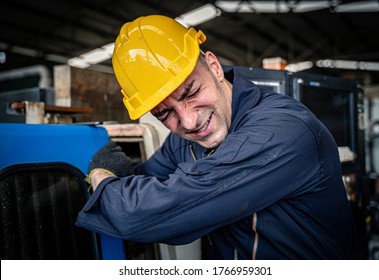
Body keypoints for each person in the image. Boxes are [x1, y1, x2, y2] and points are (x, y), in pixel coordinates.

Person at [76, 15, 356, 259]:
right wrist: (109, 166)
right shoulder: (183, 141)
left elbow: (138, 214)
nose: (188, 121)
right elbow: (142, 184)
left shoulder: (283, 133)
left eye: (191, 93)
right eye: (165, 115)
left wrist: (101, 176)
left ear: (214, 66)